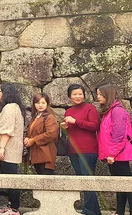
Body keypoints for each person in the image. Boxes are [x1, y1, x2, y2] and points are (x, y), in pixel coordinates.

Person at [62, 84, 101, 215]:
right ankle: (96, 211)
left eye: (80, 94)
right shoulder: (68, 111)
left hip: (88, 150)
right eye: (74, 94)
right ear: (69, 96)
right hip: (73, 151)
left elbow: (94, 126)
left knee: (87, 181)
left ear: (84, 95)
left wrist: (75, 121)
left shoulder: (90, 108)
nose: (78, 96)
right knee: (82, 182)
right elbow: (72, 130)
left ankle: (88, 211)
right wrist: (65, 127)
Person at [97, 84, 132, 215]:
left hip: (118, 154)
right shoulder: (109, 111)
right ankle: (120, 211)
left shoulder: (117, 111)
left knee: (127, 185)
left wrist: (112, 154)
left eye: (100, 94)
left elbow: (119, 134)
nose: (98, 97)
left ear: (108, 94)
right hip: (113, 154)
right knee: (120, 185)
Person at [0, 83, 24, 215]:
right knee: (9, 177)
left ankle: (14, 209)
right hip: (8, 149)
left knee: (11, 179)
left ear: (5, 93)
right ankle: (10, 206)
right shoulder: (13, 107)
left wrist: (2, 148)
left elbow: (6, 131)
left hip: (9, 150)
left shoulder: (10, 108)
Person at [24, 93, 58, 175]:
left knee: (47, 182)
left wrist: (33, 140)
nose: (40, 105)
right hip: (36, 154)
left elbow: (51, 133)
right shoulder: (35, 117)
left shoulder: (49, 117)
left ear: (47, 104)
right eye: (38, 103)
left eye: (43, 103)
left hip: (46, 155)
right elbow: (31, 133)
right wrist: (27, 138)